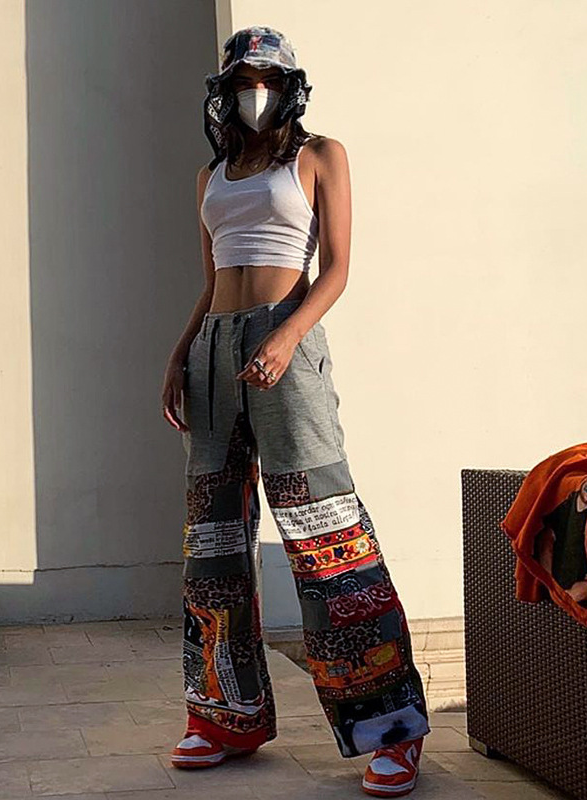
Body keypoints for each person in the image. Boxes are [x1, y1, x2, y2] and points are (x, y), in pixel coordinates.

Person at [160, 25, 430, 797]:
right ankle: (224, 716)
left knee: (324, 530)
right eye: (243, 79)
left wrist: (286, 336)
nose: (256, 90)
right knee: (213, 541)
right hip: (215, 352)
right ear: (225, 90)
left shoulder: (320, 156)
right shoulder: (211, 175)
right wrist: (179, 354)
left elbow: (336, 268)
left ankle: (390, 730)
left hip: (288, 342)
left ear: (289, 87)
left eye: (268, 78)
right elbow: (213, 281)